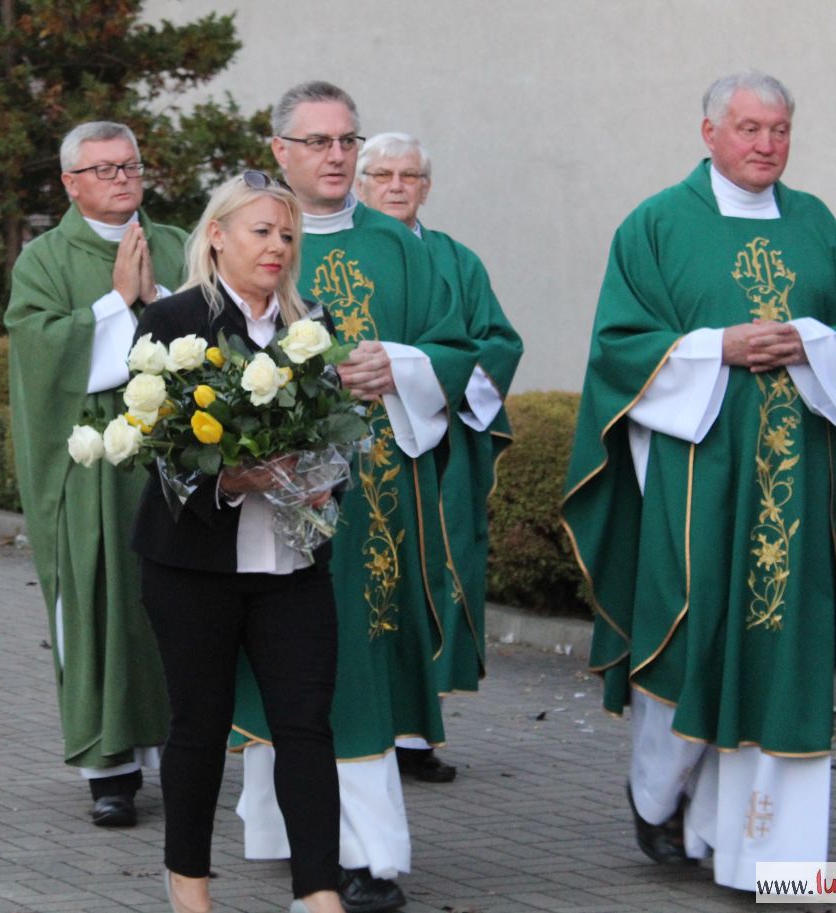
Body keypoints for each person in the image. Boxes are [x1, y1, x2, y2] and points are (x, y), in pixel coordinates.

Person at [561, 72, 836, 891]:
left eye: (780, 130)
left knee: (783, 652)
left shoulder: (816, 224)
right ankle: (658, 792)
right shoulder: (657, 225)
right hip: (697, 480)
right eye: (749, 128)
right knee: (694, 634)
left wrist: (813, 341)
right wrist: (718, 348)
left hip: (795, 488)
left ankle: (772, 861)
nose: (766, 145)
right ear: (709, 133)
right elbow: (619, 346)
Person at [230, 81, 478, 913]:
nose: (337, 156)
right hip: (279, 497)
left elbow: (455, 343)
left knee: (358, 666)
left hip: (378, 504)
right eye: (318, 141)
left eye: (347, 141)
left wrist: (399, 364)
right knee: (286, 663)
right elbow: (214, 342)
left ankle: (368, 853)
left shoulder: (400, 246)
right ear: (280, 151)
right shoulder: (255, 234)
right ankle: (292, 832)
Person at [130, 172, 344, 913]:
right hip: (191, 567)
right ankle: (189, 883)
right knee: (199, 726)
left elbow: (336, 431)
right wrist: (227, 479)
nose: (277, 246)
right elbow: (155, 446)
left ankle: (319, 890)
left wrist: (324, 480)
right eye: (262, 231)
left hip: (293, 566)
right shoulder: (173, 320)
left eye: (287, 234)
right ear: (217, 235)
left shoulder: (310, 324)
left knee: (306, 727)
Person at [5, 121, 187, 828]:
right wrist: (116, 302)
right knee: (102, 602)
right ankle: (110, 771)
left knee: (181, 608)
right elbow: (41, 353)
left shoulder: (179, 243)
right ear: (70, 183)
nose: (121, 179)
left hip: (178, 460)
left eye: (130, 166)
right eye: (103, 169)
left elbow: (220, 324)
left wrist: (158, 293)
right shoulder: (44, 260)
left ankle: (187, 755)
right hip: (94, 474)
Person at [355, 132, 523, 784]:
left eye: (410, 176)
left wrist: (428, 382)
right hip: (353, 445)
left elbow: (497, 341)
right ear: (360, 183)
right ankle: (360, 724)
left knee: (431, 576)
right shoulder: (343, 251)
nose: (396, 186)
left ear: (426, 187)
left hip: (441, 449)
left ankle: (416, 733)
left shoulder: (456, 261)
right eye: (383, 175)